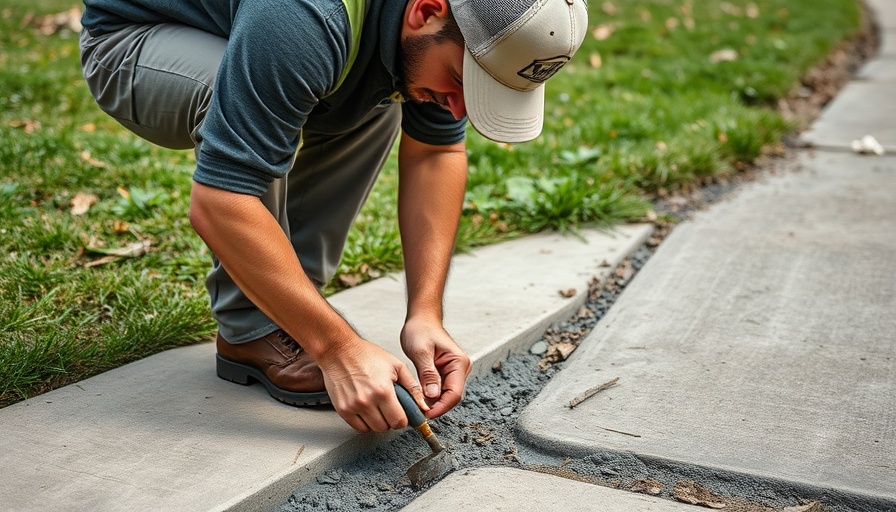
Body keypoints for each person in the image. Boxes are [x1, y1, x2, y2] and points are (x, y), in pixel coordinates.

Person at [79, 0, 587, 433]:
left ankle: (288, 313)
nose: (458, 110)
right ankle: (253, 327)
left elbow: (436, 153)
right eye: (459, 80)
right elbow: (220, 201)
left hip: (262, 36)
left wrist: (425, 314)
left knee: (384, 93)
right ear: (426, 10)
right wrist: (337, 349)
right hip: (132, 40)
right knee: (228, 88)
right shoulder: (304, 15)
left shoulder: (445, 28)